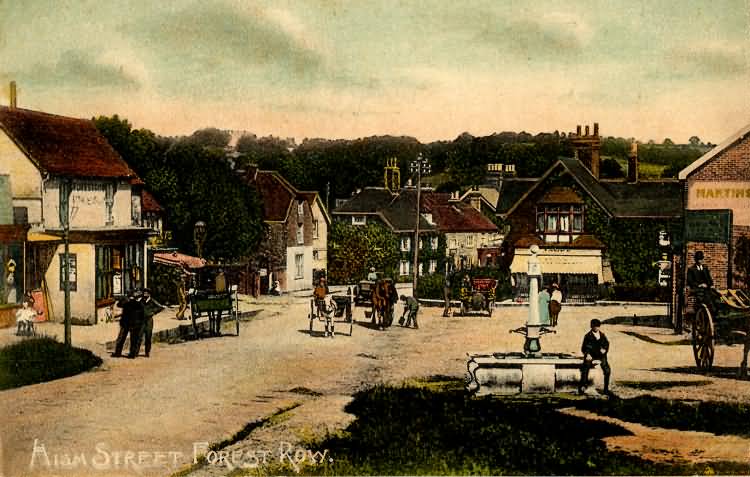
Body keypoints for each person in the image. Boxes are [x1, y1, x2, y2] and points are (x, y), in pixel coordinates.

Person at [579, 318, 611, 395]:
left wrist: (605, 350)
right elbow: (583, 348)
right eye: (595, 326)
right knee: (585, 367)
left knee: (607, 370)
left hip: (601, 355)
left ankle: (606, 389)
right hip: (591, 355)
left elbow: (607, 344)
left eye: (598, 326)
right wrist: (587, 354)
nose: (596, 328)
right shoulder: (588, 336)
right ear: (591, 327)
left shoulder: (602, 335)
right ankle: (584, 386)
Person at [113, 289, 145, 358]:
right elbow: (142, 315)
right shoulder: (140, 304)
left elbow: (119, 304)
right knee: (133, 340)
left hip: (126, 323)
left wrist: (125, 298)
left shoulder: (127, 303)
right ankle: (132, 354)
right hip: (133, 324)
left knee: (121, 338)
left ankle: (118, 353)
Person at [139, 288, 164, 358]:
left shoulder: (152, 301)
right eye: (144, 293)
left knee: (148, 337)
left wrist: (153, 312)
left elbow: (161, 307)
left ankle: (147, 352)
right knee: (139, 336)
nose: (144, 294)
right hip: (142, 320)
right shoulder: (141, 300)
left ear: (149, 294)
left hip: (149, 320)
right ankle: (135, 351)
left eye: (146, 293)